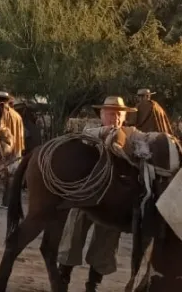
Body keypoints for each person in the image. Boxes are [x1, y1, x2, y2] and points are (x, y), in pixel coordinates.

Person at [58, 96, 137, 292]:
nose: (115, 118)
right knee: (73, 234)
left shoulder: (131, 136)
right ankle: (62, 279)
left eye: (119, 114)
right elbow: (83, 137)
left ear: (124, 116)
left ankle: (92, 285)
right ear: (102, 115)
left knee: (106, 243)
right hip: (86, 194)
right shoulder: (92, 132)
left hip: (113, 200)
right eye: (110, 113)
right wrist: (103, 132)